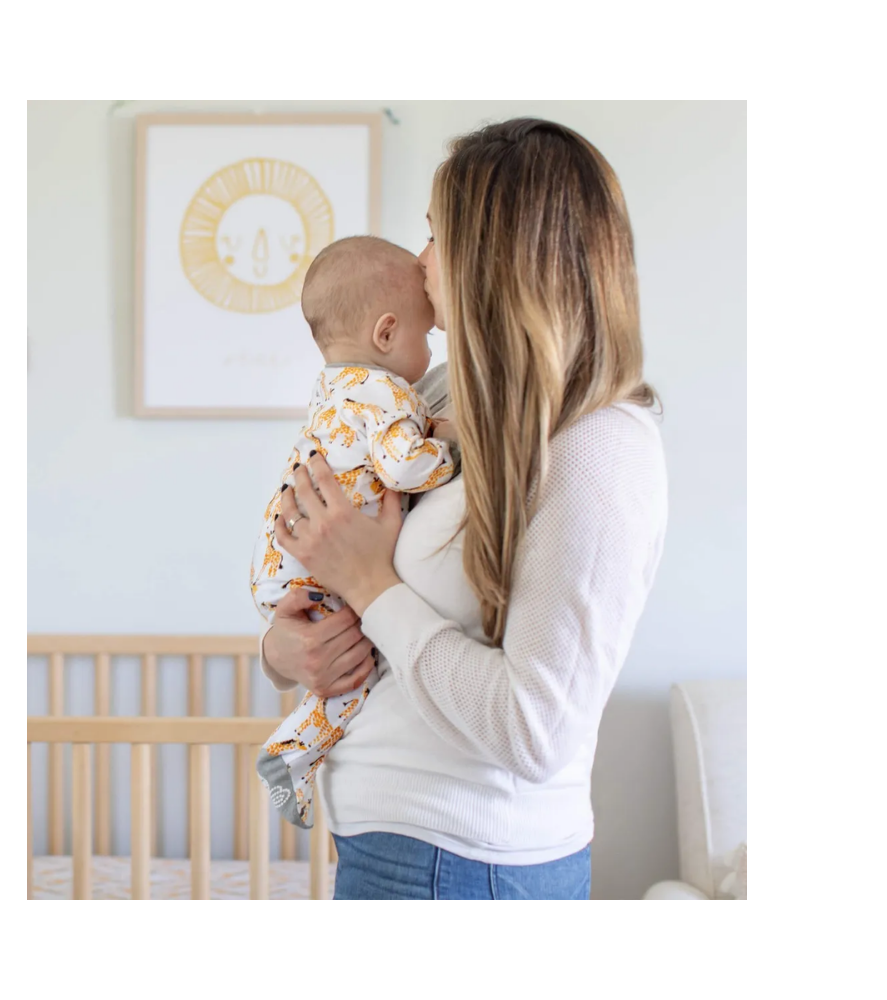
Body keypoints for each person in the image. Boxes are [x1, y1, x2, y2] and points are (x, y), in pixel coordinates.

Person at [260, 118, 668, 900]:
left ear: (493, 254)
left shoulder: (595, 445)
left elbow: (534, 730)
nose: (419, 261)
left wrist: (371, 586)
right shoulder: (443, 396)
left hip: (465, 864)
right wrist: (285, 652)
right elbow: (334, 560)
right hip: (394, 849)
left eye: (435, 235)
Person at [251, 236, 456, 830]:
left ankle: (292, 753)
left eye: (436, 234)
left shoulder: (336, 386)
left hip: (283, 565)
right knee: (355, 676)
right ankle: (293, 752)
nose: (424, 254)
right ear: (386, 334)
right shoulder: (396, 391)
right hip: (314, 570)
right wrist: (450, 450)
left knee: (352, 670)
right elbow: (404, 466)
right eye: (424, 335)